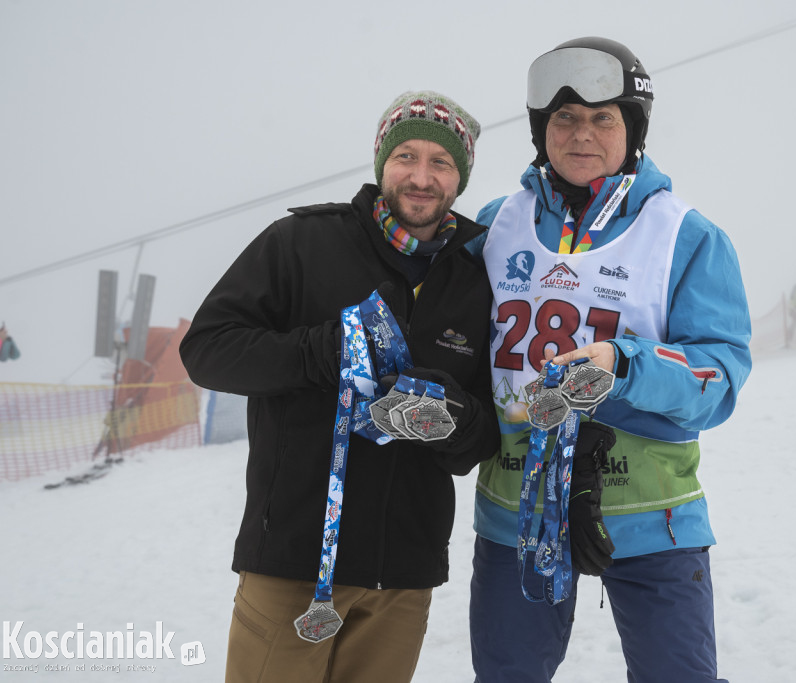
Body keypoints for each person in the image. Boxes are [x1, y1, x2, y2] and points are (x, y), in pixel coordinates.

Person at [179, 90, 500, 683]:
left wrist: (453, 416)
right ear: (383, 163)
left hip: (402, 579)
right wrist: (325, 350)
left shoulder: (475, 276)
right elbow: (206, 350)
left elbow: (483, 436)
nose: (421, 177)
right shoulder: (302, 243)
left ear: (460, 179)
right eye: (407, 156)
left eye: (442, 163)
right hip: (293, 565)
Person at [467, 37, 752, 683]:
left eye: (604, 117)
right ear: (542, 130)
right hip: (517, 515)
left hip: (653, 518)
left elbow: (720, 375)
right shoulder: (494, 227)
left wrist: (624, 366)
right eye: (564, 118)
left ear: (633, 128)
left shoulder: (686, 235)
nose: (582, 134)